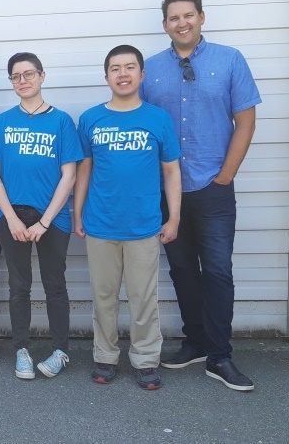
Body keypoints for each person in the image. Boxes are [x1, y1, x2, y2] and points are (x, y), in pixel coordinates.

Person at [140, 0, 261, 392]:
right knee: (180, 270)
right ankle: (193, 340)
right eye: (174, 18)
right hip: (167, 192)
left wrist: (224, 177)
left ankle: (220, 355)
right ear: (165, 25)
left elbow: (245, 121)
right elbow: (138, 124)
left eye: (188, 15)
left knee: (218, 271)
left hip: (212, 186)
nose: (182, 23)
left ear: (202, 17)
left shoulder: (230, 60)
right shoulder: (150, 69)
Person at [73, 45, 182, 390]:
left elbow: (172, 172)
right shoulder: (91, 119)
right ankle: (105, 357)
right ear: (106, 76)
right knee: (103, 297)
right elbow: (84, 171)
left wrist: (174, 217)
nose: (123, 74)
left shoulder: (158, 118)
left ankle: (146, 359)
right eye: (115, 68)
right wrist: (77, 214)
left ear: (141, 74)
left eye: (130, 67)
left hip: (144, 225)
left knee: (142, 298)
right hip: (101, 224)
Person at [0, 52, 83, 380]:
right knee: (19, 285)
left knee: (55, 284)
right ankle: (22, 350)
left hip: (52, 217)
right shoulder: (2, 123)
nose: (23, 80)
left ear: (42, 76)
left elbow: (68, 175)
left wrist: (44, 222)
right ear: (11, 82)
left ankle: (60, 351)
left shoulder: (61, 121)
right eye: (16, 76)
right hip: (12, 214)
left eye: (29, 74)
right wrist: (10, 218)